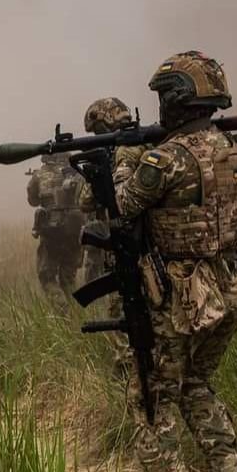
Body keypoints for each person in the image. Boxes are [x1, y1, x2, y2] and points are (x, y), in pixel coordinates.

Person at [114, 51, 237, 472]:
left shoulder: (166, 158)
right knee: (195, 382)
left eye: (162, 97)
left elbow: (125, 203)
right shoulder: (229, 147)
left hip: (184, 296)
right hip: (230, 286)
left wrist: (124, 159)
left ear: (177, 100)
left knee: (153, 398)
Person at [78, 97, 144, 369]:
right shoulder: (148, 145)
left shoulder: (121, 154)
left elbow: (86, 201)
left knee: (122, 312)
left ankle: (128, 373)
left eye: (97, 132)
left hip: (128, 245)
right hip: (151, 243)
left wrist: (95, 172)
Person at [26, 153, 86, 311]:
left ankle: (62, 310)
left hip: (53, 232)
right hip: (75, 229)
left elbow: (32, 200)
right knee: (69, 277)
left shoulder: (40, 174)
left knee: (47, 276)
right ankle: (76, 315)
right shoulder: (77, 173)